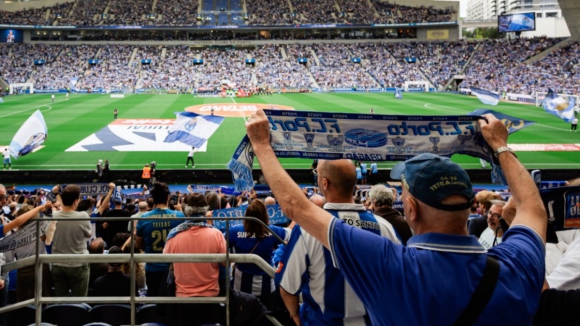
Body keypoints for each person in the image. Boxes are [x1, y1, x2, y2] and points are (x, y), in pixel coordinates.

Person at [245, 109, 547, 325]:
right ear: (472, 206)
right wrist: (500, 146)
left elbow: (297, 208)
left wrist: (260, 145)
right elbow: (533, 206)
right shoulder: (517, 266)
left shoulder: (392, 266)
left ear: (412, 209)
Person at [276, 159, 399, 325]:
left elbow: (287, 287)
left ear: (325, 183)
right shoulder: (385, 227)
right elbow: (399, 283)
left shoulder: (307, 230)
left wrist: (295, 316)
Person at [163, 193, 226, 325]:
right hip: (210, 297)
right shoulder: (216, 234)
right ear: (205, 210)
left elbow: (165, 259)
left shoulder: (174, 234)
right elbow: (226, 263)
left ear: (186, 210)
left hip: (183, 297)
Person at [227, 200, 291, 309]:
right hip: (266, 286)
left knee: (242, 318)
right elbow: (291, 234)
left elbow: (219, 243)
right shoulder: (273, 231)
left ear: (246, 215)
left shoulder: (234, 231)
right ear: (265, 215)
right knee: (265, 318)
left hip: (241, 287)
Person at [135, 182, 185, 297]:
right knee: (172, 302)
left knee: (154, 302)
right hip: (173, 269)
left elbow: (138, 244)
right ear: (168, 198)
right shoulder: (179, 216)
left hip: (153, 268)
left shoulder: (144, 218)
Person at [51, 184, 93, 297]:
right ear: (76, 201)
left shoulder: (52, 215)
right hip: (78, 264)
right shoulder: (83, 215)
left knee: (59, 302)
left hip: (57, 263)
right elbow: (89, 235)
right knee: (79, 303)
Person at [11, 205, 55, 302]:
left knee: (24, 303)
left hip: (23, 270)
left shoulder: (13, 237)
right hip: (41, 268)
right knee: (44, 299)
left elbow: (9, 260)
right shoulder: (42, 231)